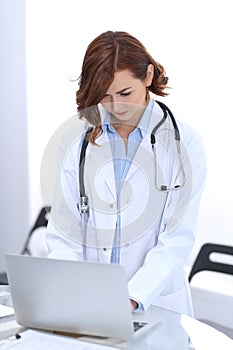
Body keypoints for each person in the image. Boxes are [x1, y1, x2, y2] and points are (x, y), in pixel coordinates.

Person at [44, 31, 206, 315]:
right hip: (90, 303)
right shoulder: (75, 141)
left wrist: (132, 297)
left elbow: (177, 238)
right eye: (104, 96)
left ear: (147, 76)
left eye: (124, 93)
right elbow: (64, 233)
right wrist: (71, 287)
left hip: (157, 304)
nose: (116, 107)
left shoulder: (184, 144)